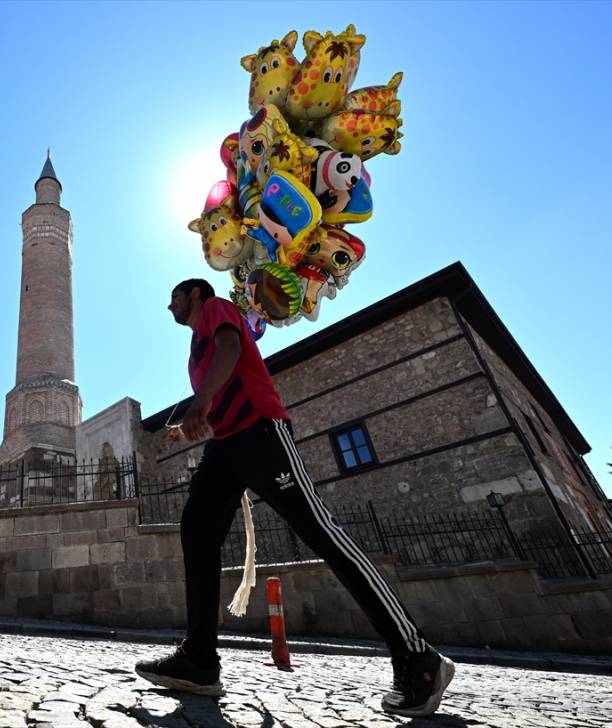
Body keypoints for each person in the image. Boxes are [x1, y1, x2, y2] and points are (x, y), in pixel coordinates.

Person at [134, 278, 454, 717]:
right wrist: (193, 418)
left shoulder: (216, 310)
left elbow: (231, 348)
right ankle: (200, 661)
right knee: (197, 531)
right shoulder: (195, 344)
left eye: (173, 296)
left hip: (262, 436)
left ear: (194, 294)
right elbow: (224, 385)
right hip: (226, 446)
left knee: (322, 534)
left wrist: (202, 399)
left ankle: (418, 657)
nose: (167, 304)